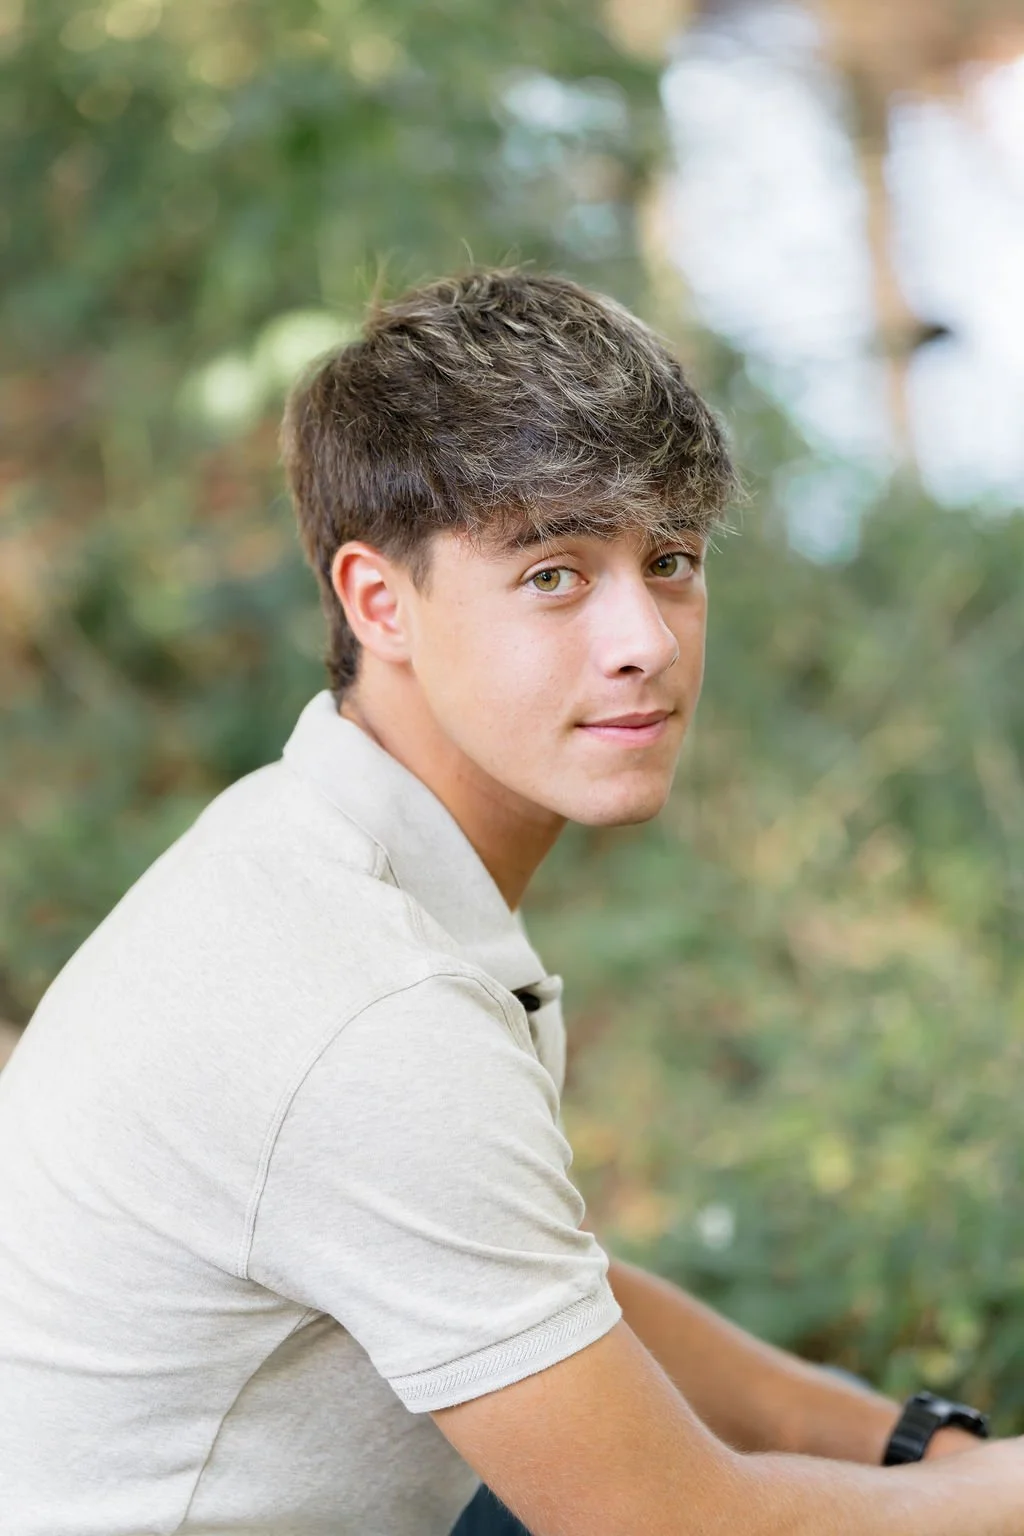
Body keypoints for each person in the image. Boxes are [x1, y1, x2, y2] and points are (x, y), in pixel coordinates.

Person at [0, 269, 1019, 1536]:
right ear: (380, 603)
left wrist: (902, 1442)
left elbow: (531, 1282)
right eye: (553, 574)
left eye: (669, 561)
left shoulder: (314, 842)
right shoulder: (368, 1009)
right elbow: (673, 1526)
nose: (646, 639)